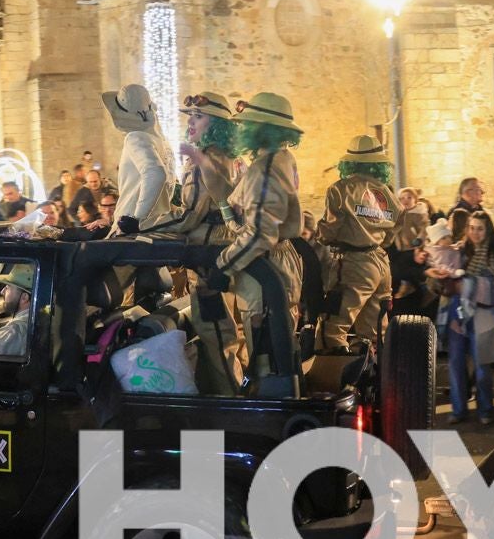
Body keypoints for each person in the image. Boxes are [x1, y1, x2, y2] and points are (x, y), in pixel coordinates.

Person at [204, 93, 305, 382]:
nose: (243, 129)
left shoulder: (267, 167)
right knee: (277, 344)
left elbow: (260, 233)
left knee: (267, 353)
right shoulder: (279, 158)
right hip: (274, 258)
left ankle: (274, 405)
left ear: (263, 128)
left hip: (266, 264)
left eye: (249, 124)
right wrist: (224, 203)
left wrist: (223, 265)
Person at [159, 92, 244, 395]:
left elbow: (189, 216)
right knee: (234, 332)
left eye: (199, 116)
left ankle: (232, 403)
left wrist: (145, 225)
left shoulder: (202, 161)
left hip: (209, 258)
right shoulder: (234, 158)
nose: (190, 122)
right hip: (231, 251)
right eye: (190, 116)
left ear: (217, 124)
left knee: (216, 334)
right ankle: (239, 393)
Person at [317, 135, 402, 349]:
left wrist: (320, 235)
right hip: (381, 263)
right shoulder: (385, 191)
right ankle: (376, 367)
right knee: (375, 332)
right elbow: (397, 222)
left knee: (332, 328)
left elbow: (329, 230)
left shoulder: (340, 189)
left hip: (353, 263)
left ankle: (333, 369)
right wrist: (379, 240)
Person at [440, 210, 494, 426]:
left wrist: (465, 284)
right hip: (457, 313)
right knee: (456, 363)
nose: (475, 233)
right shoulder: (459, 251)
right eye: (472, 228)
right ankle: (458, 410)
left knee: (482, 366)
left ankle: (485, 409)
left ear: (488, 231)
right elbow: (442, 277)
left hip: (483, 315)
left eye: (480, 229)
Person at [101, 83, 174, 234]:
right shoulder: (162, 142)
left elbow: (156, 174)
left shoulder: (135, 137)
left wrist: (137, 218)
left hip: (134, 227)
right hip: (157, 224)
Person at [388, 187, 431, 316]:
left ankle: (422, 290)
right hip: (401, 248)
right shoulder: (398, 214)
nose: (405, 200)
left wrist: (419, 241)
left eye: (409, 198)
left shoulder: (418, 213)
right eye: (402, 198)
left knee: (412, 271)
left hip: (414, 247)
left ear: (415, 200)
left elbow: (424, 228)